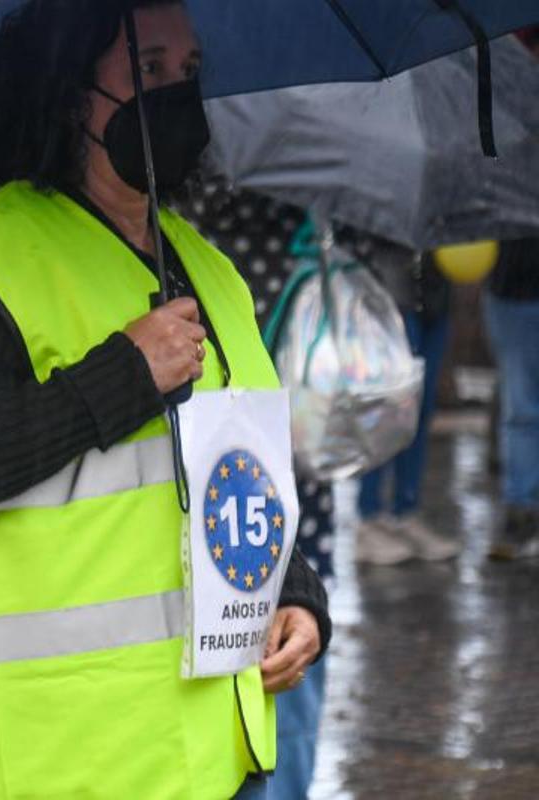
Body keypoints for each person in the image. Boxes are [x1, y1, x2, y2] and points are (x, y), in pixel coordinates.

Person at [0, 2, 330, 797]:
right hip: (62, 761)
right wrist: (122, 376)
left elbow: (228, 469)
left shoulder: (209, 270)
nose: (176, 94)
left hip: (214, 757)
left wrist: (291, 592)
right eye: (149, 69)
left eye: (189, 72)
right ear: (66, 91)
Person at [180, 178, 336, 800]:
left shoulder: (207, 236)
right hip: (247, 433)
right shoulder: (191, 252)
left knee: (294, 623)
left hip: (278, 422)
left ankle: (286, 781)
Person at [352, 242, 459, 565]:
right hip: (390, 297)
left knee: (420, 412)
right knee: (386, 411)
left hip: (435, 297)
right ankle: (369, 517)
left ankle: (406, 510)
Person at [485, 237, 539, 560]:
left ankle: (521, 507)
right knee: (521, 408)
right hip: (513, 296)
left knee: (520, 408)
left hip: (510, 295)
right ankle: (521, 510)